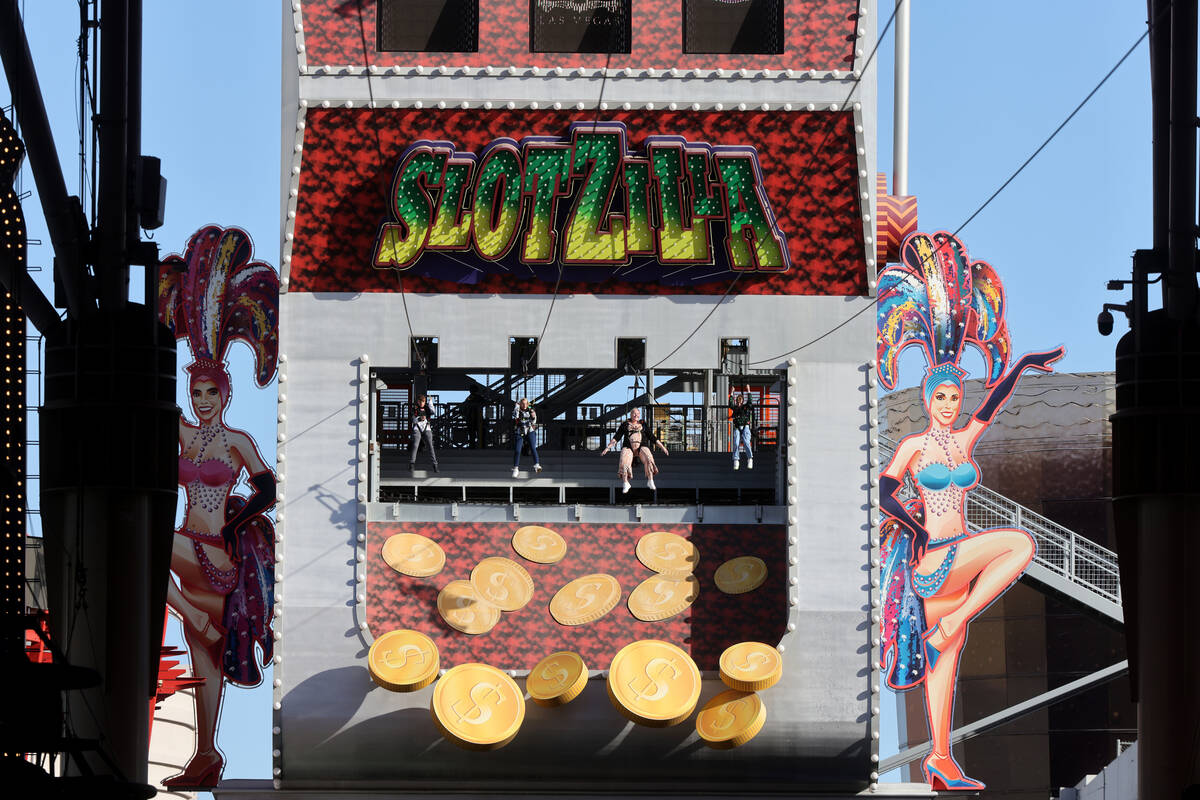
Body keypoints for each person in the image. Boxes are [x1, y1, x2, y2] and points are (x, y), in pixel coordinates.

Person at [875, 231, 1062, 791]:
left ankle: (939, 758)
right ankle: (956, 620)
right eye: (941, 397)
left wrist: (1025, 361)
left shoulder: (963, 443)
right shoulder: (913, 448)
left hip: (952, 579)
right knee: (1018, 544)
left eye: (956, 397)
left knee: (945, 672)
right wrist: (911, 525)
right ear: (927, 399)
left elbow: (997, 396)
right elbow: (885, 493)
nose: (951, 404)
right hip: (937, 559)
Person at [158, 225, 278, 789]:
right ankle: (205, 755)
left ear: (226, 395)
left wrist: (235, 518)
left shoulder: (235, 442)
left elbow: (268, 487)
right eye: (197, 392)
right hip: (189, 548)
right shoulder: (183, 434)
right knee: (196, 638)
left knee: (207, 659)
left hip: (216, 557)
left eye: (212, 393)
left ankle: (206, 754)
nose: (203, 401)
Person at [600, 407, 668, 493]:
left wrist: (663, 447)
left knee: (649, 458)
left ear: (639, 415)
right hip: (628, 446)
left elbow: (652, 437)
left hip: (641, 446)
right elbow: (616, 437)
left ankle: (650, 481)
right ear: (631, 415)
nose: (636, 415)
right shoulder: (625, 425)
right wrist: (607, 448)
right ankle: (626, 483)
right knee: (624, 461)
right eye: (634, 413)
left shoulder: (643, 425)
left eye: (637, 413)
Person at [511, 397, 542, 477]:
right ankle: (516, 468)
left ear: (527, 404)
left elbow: (534, 421)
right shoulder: (517, 410)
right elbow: (515, 418)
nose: (524, 405)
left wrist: (533, 415)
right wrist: (516, 409)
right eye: (522, 403)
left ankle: (537, 465)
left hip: (529, 431)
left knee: (533, 448)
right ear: (520, 404)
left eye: (526, 403)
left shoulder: (531, 410)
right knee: (518, 450)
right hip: (520, 432)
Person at [409, 394, 439, 472]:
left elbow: (433, 412)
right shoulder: (414, 408)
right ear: (418, 401)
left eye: (423, 401)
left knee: (430, 446)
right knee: (415, 445)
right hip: (417, 427)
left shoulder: (427, 408)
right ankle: (412, 463)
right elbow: (412, 418)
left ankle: (435, 465)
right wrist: (419, 418)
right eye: (420, 401)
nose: (422, 403)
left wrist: (431, 401)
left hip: (427, 427)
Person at [729, 391, 755, 470]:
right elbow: (730, 404)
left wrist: (749, 391)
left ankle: (750, 458)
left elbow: (750, 402)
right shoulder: (735, 408)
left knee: (746, 442)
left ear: (742, 402)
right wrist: (732, 393)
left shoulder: (745, 407)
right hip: (737, 427)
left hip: (745, 427)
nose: (739, 403)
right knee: (736, 443)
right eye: (737, 402)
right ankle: (736, 460)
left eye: (740, 402)